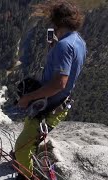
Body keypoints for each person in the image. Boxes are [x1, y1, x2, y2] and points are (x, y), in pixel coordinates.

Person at [15, 0, 87, 179]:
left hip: (50, 105)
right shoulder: (77, 41)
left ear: (56, 22)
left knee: (21, 147)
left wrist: (28, 98)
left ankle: (26, 174)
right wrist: (55, 50)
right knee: (30, 129)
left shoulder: (64, 46)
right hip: (59, 102)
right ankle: (25, 152)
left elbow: (59, 84)